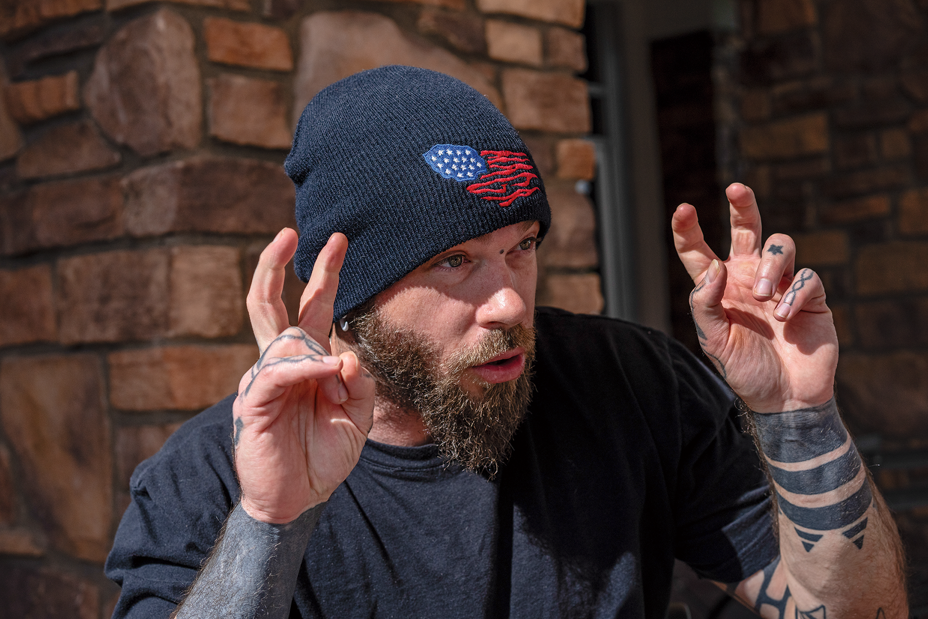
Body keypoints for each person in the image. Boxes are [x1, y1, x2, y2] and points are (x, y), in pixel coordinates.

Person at [105, 66, 907, 618]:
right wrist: (271, 521)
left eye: (520, 245)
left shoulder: (632, 384)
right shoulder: (213, 476)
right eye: (454, 261)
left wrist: (799, 415)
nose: (505, 302)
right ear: (347, 292)